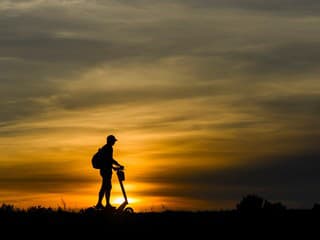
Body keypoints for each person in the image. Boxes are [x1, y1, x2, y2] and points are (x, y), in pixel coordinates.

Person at [95, 134, 124, 209]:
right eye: (113, 141)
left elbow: (109, 160)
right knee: (105, 186)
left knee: (107, 187)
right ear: (110, 141)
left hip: (105, 170)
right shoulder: (108, 148)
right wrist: (117, 165)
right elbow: (108, 160)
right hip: (105, 170)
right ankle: (101, 204)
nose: (114, 142)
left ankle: (104, 204)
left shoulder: (106, 148)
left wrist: (115, 165)